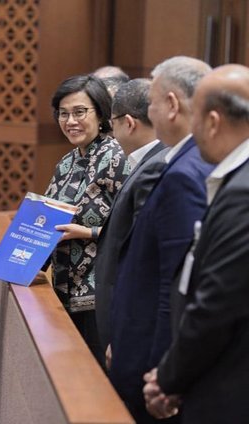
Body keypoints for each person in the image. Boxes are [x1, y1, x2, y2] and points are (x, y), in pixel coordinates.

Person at [108, 56, 214, 423]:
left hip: (150, 369)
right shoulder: (184, 160)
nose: (148, 111)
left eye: (151, 101)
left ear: (171, 104)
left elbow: (177, 283)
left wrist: (162, 373)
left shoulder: (187, 172)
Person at [143, 64, 249, 423]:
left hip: (227, 390)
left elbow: (214, 306)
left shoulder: (242, 194)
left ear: (214, 122)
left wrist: (169, 378)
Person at [44, 74, 129, 363]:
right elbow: (45, 216)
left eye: (80, 112)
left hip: (98, 294)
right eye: (64, 114)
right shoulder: (66, 162)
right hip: (64, 288)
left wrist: (88, 233)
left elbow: (132, 227)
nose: (70, 121)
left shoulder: (117, 157)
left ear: (102, 113)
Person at [95, 78, 168, 354]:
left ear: (128, 122)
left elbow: (142, 259)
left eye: (111, 123)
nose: (111, 133)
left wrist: (124, 333)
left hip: (129, 327)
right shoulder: (146, 161)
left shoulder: (155, 167)